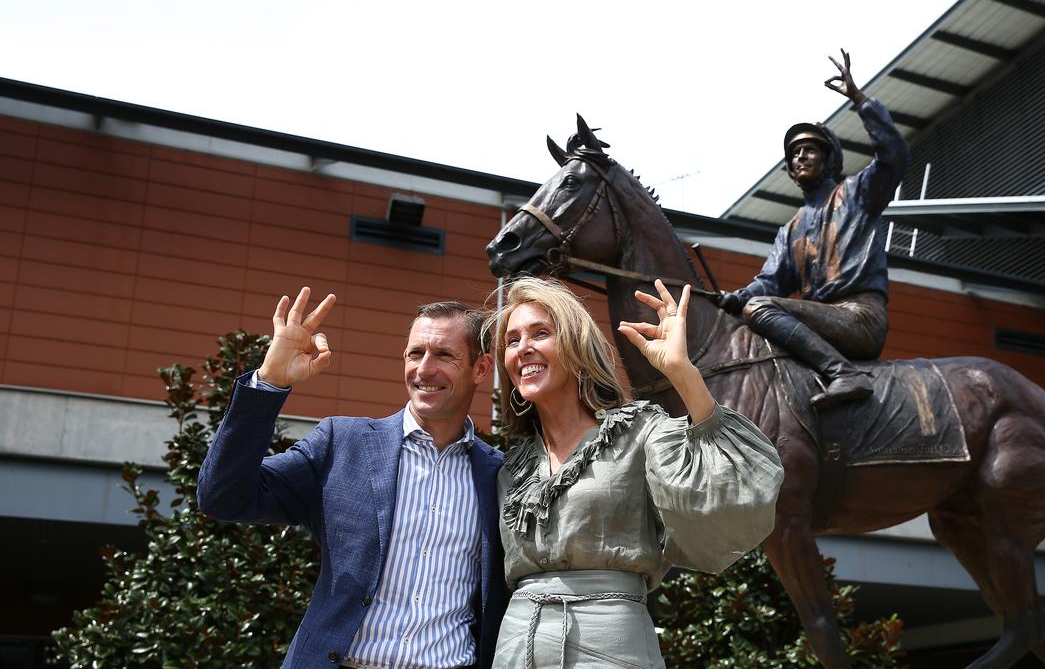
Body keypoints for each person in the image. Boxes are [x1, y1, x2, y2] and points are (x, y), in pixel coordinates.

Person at [197, 287, 509, 669]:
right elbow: (222, 497)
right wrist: (270, 382)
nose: (424, 369)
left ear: (481, 368)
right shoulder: (341, 444)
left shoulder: (498, 474)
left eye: (444, 355)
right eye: (415, 353)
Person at [486, 276, 783, 669]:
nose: (523, 347)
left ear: (576, 346)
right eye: (512, 340)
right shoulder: (511, 464)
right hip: (517, 644)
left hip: (612, 644)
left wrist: (683, 374)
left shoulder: (640, 432)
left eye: (540, 333)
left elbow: (736, 486)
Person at [718, 49, 911, 409]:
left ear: (828, 159)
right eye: (794, 154)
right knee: (751, 315)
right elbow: (770, 282)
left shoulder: (857, 194)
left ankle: (844, 374)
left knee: (760, 310)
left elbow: (895, 156)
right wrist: (737, 296)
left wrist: (861, 101)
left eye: (809, 150)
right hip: (820, 323)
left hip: (859, 318)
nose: (800, 158)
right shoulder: (790, 230)